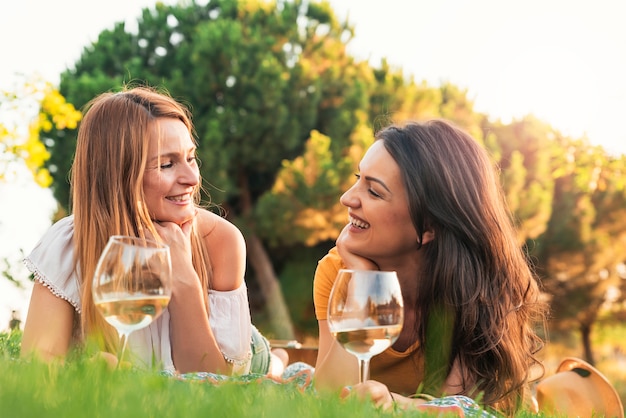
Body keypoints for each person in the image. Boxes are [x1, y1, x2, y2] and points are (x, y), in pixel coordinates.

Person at [21, 85, 285, 376]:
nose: (192, 178)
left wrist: (183, 277)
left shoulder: (221, 240)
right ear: (119, 175)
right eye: (167, 164)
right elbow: (38, 364)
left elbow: (214, 382)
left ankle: (280, 361)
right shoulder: (70, 243)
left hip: (238, 346)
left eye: (191, 158)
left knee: (268, 365)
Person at [313, 119, 547, 415]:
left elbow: (459, 408)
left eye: (374, 192)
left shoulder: (482, 288)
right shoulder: (339, 272)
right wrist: (363, 280)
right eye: (358, 178)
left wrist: (393, 404)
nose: (346, 198)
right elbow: (326, 398)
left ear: (429, 225)